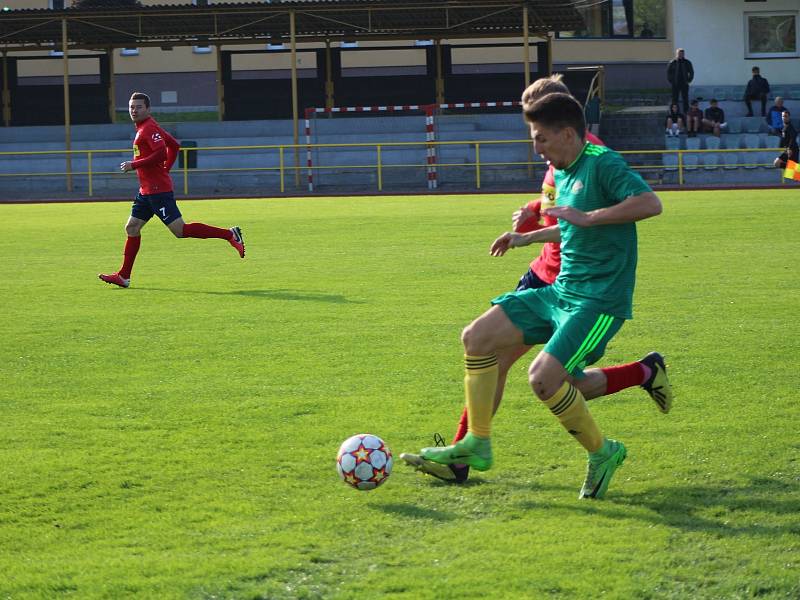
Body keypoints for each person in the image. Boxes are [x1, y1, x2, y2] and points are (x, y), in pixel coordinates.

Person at [400, 76, 673, 486]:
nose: (536, 148)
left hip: (595, 300)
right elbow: (566, 223)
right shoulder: (562, 167)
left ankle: (603, 452)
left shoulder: (602, 161)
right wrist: (526, 236)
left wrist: (589, 217)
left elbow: (651, 203)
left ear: (566, 132)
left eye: (540, 138)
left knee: (545, 380)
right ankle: (475, 443)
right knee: (476, 337)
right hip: (557, 289)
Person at [99, 92, 245, 288]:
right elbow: (174, 146)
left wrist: (135, 165)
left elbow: (161, 153)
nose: (134, 110)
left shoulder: (148, 128)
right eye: (131, 107)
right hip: (147, 190)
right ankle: (124, 276)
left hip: (158, 191)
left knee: (180, 231)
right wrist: (165, 169)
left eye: (139, 107)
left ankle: (229, 234)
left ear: (148, 109)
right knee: (132, 228)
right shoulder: (146, 127)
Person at [667, 48, 693, 114]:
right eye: (679, 53)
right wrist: (671, 81)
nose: (681, 55)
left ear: (684, 54)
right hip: (675, 84)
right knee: (674, 100)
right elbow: (668, 73)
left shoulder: (687, 62)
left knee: (685, 99)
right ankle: (674, 114)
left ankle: (686, 113)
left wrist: (689, 80)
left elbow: (691, 72)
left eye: (682, 54)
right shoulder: (672, 62)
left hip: (684, 83)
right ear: (677, 54)